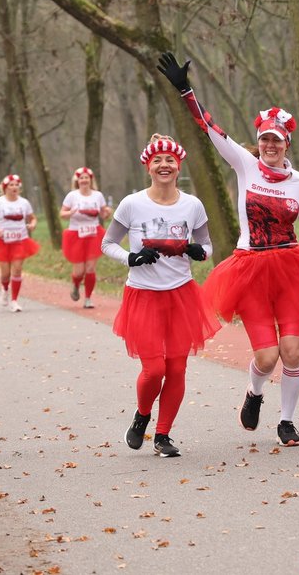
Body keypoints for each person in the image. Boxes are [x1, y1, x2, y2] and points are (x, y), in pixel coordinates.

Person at [157, 52, 299, 447]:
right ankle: (255, 392)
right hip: (250, 270)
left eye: (276, 140)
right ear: (258, 142)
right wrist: (185, 90)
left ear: (286, 144)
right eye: (264, 138)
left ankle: (287, 421)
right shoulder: (244, 166)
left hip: (291, 268)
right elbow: (211, 130)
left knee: (293, 351)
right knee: (268, 358)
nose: (269, 145)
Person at [101, 134, 221, 458]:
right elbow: (107, 243)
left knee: (178, 369)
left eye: (170, 160)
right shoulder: (132, 203)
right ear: (148, 167)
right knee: (154, 370)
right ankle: (142, 416)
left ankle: (163, 435)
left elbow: (207, 245)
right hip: (143, 295)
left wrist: (200, 251)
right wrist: (130, 257)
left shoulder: (192, 205)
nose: (164, 165)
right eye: (158, 161)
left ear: (178, 166)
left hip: (181, 295)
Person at [0, 174, 40, 312]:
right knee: (5, 273)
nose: (14, 187)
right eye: (11, 185)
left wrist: (32, 224)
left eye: (16, 185)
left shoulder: (24, 203)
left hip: (20, 240)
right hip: (3, 241)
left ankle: (14, 300)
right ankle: (4, 289)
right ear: (5, 188)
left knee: (17, 269)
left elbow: (33, 218)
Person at [60, 167, 111, 309]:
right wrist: (70, 212)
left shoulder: (98, 195)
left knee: (90, 268)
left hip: (93, 234)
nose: (84, 180)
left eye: (86, 178)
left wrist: (106, 212)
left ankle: (88, 298)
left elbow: (103, 214)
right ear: (77, 181)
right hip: (76, 234)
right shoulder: (72, 196)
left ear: (90, 180)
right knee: (79, 270)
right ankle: (76, 285)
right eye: (81, 178)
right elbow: (62, 214)